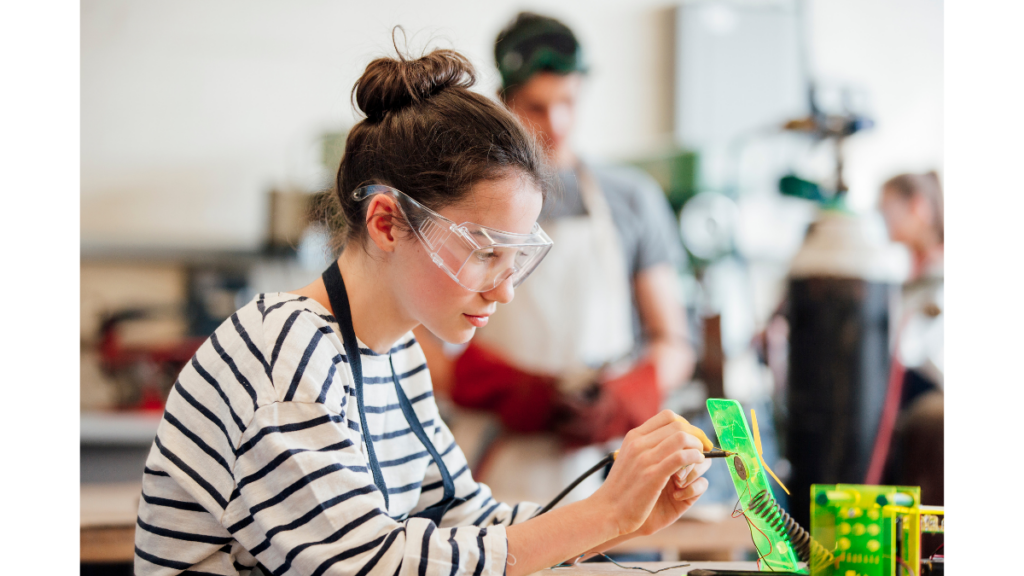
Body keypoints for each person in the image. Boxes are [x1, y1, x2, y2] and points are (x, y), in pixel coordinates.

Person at [134, 46, 713, 576]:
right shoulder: (285, 350)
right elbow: (365, 564)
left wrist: (625, 515)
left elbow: (461, 519)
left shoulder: (396, 353)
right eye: (485, 252)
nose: (504, 290)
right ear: (387, 223)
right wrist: (603, 516)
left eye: (515, 259)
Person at [415, 13, 697, 504]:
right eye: (537, 107)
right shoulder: (469, 198)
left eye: (568, 102)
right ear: (506, 102)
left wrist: (633, 393)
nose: (557, 124)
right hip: (494, 462)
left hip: (608, 462)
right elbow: (415, 333)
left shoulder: (631, 199)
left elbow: (674, 340)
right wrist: (492, 386)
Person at [878, 170, 944, 505]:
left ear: (918, 207)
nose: (882, 217)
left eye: (888, 207)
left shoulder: (940, 274)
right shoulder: (905, 274)